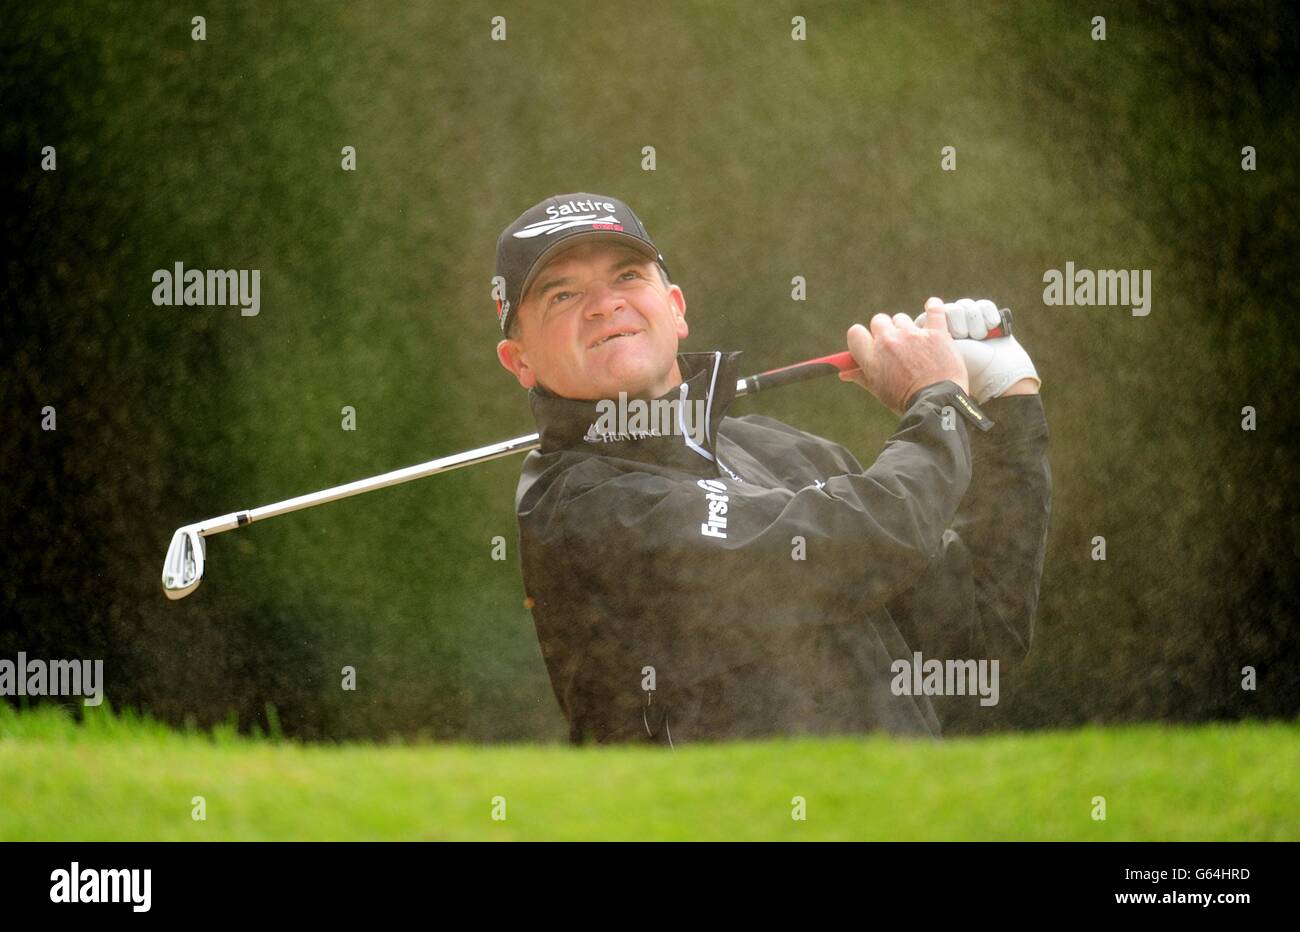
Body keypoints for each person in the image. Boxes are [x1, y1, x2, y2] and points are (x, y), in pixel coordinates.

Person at [494, 192, 1050, 746]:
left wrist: (1008, 403)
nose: (604, 304)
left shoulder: (785, 452)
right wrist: (938, 399)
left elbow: (981, 633)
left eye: (628, 276)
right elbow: (853, 546)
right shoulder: (582, 507)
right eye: (562, 294)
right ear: (520, 361)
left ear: (676, 308)